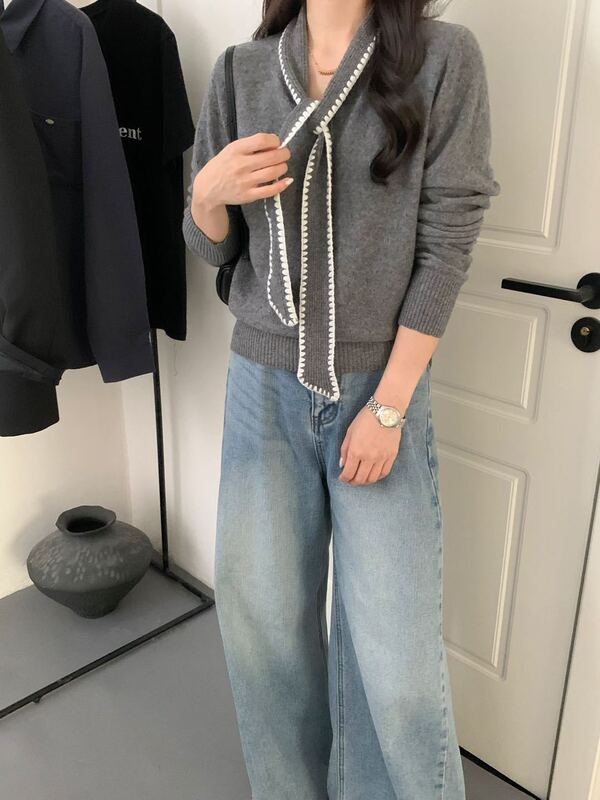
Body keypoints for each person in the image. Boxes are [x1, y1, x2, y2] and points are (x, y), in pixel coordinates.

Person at [183, 1, 500, 797]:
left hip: (379, 389)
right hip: (262, 389)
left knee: (396, 661)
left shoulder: (443, 58)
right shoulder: (241, 71)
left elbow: (448, 241)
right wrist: (206, 195)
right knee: (264, 633)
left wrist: (390, 407)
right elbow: (217, 250)